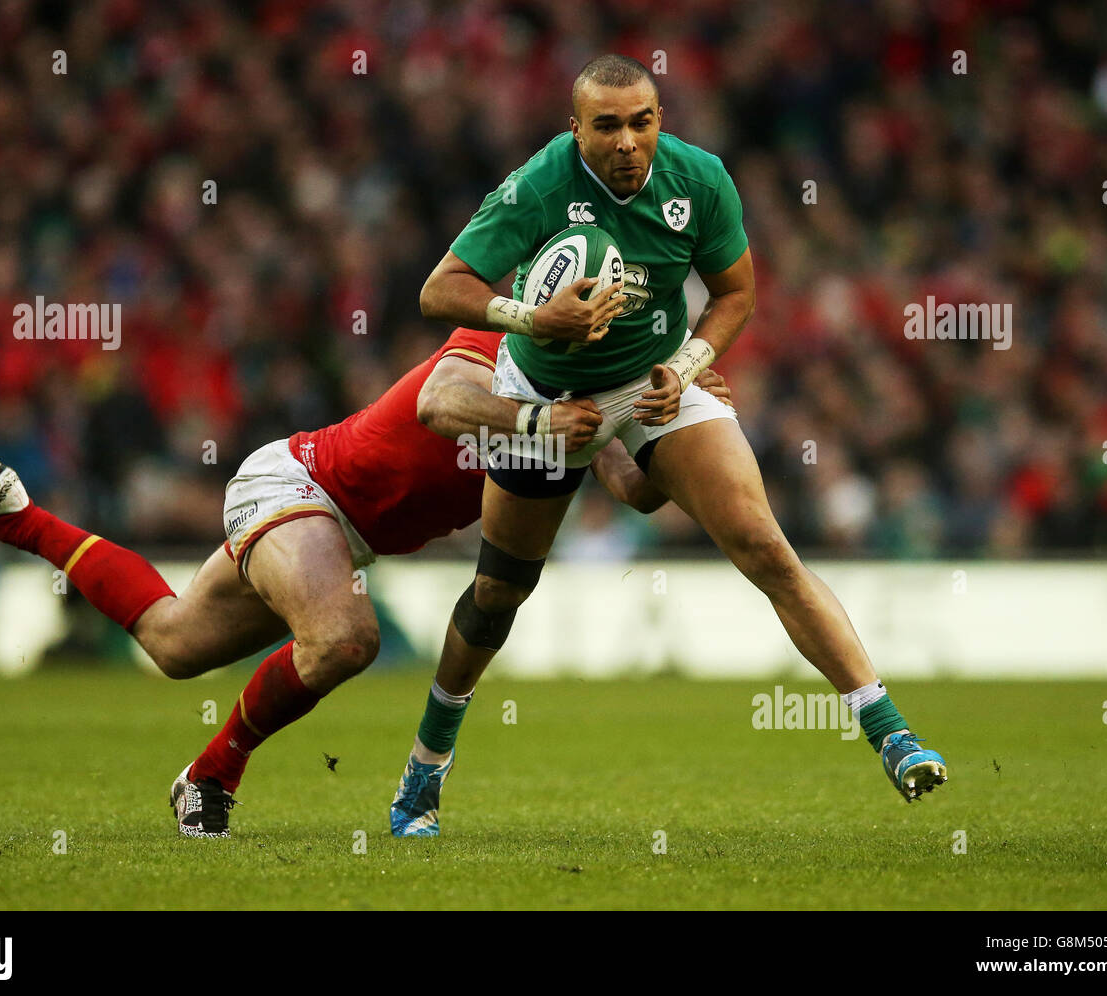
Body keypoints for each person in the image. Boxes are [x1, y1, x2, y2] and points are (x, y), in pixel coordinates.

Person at [391, 54, 946, 838]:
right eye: (607, 126)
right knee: (497, 597)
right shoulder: (539, 186)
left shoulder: (702, 179)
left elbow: (737, 293)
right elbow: (438, 288)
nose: (628, 142)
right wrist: (532, 318)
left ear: (660, 120)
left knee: (763, 545)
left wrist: (687, 366)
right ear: (574, 129)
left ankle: (890, 730)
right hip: (543, 397)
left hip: (651, 382)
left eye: (642, 122)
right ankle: (426, 769)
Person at [0, 325, 730, 837]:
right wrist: (537, 422)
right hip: (299, 486)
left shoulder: (591, 406)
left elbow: (636, 491)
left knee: (175, 645)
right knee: (344, 640)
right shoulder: (491, 347)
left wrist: (672, 418)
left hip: (341, 535)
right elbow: (443, 407)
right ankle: (214, 778)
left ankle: (17, 512)